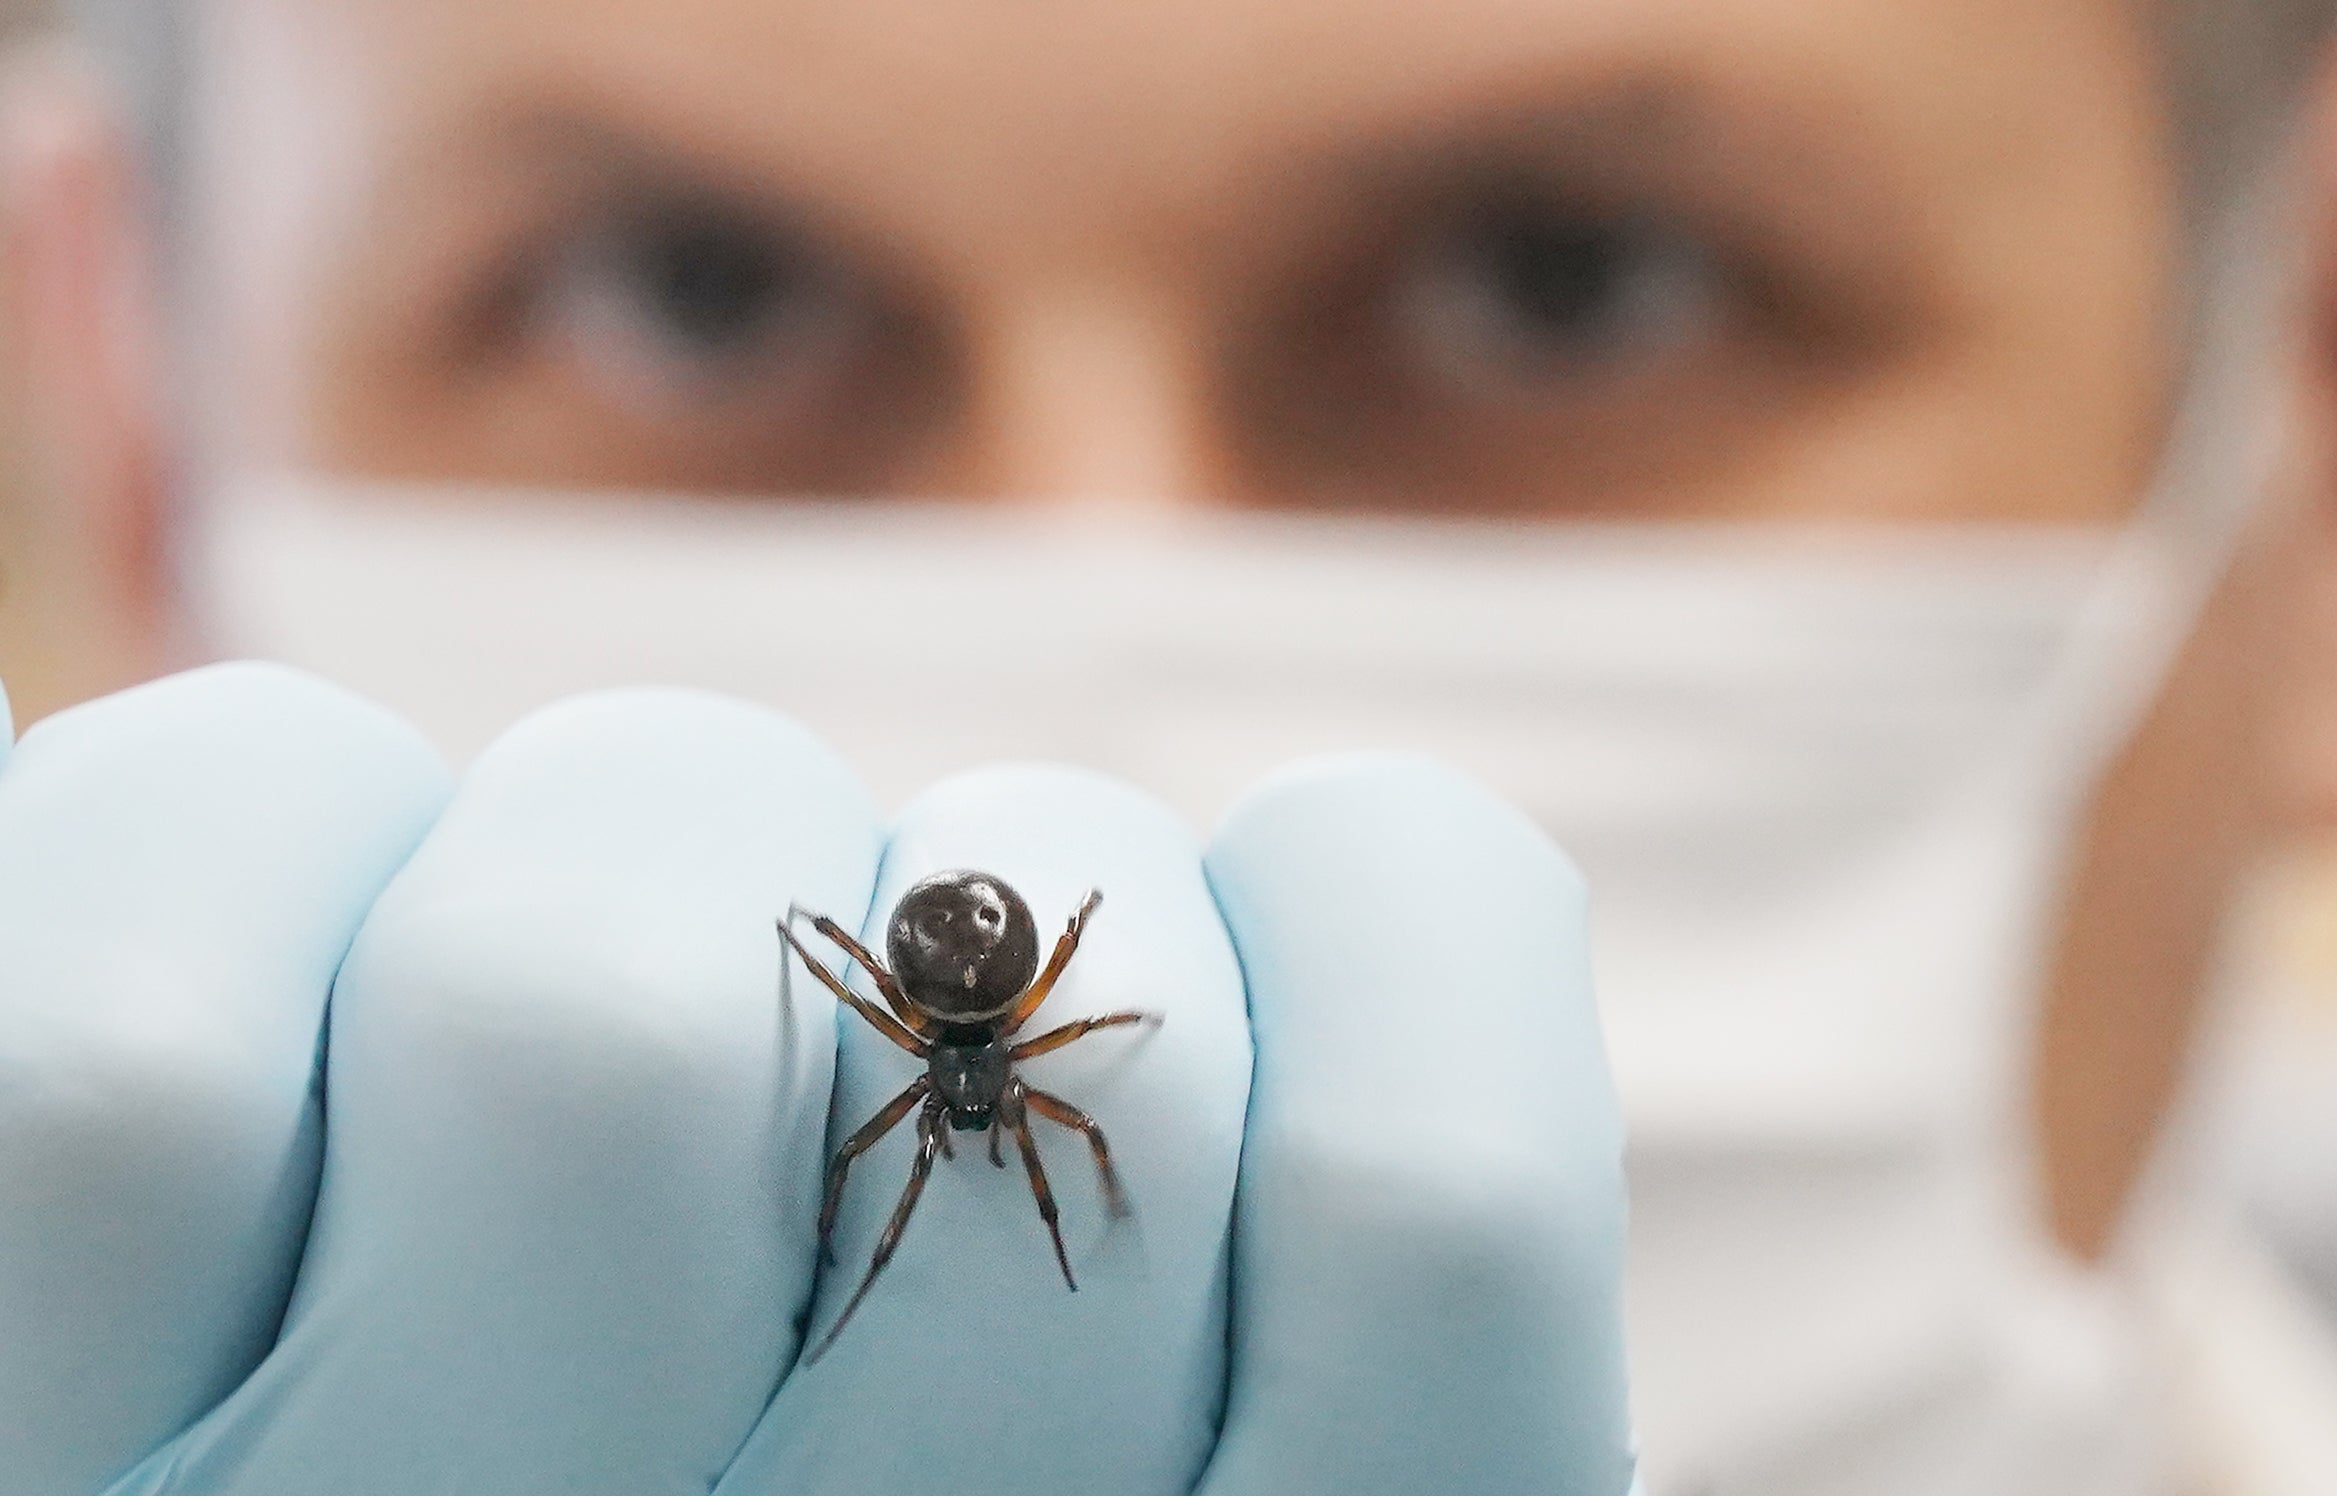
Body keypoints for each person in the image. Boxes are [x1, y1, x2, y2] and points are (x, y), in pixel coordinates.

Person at [0, 0, 2335, 1492]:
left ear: (2305, 434)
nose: (1087, 603)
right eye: (683, 291)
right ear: (126, 436)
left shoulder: (949, 1061)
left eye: (1570, 278)